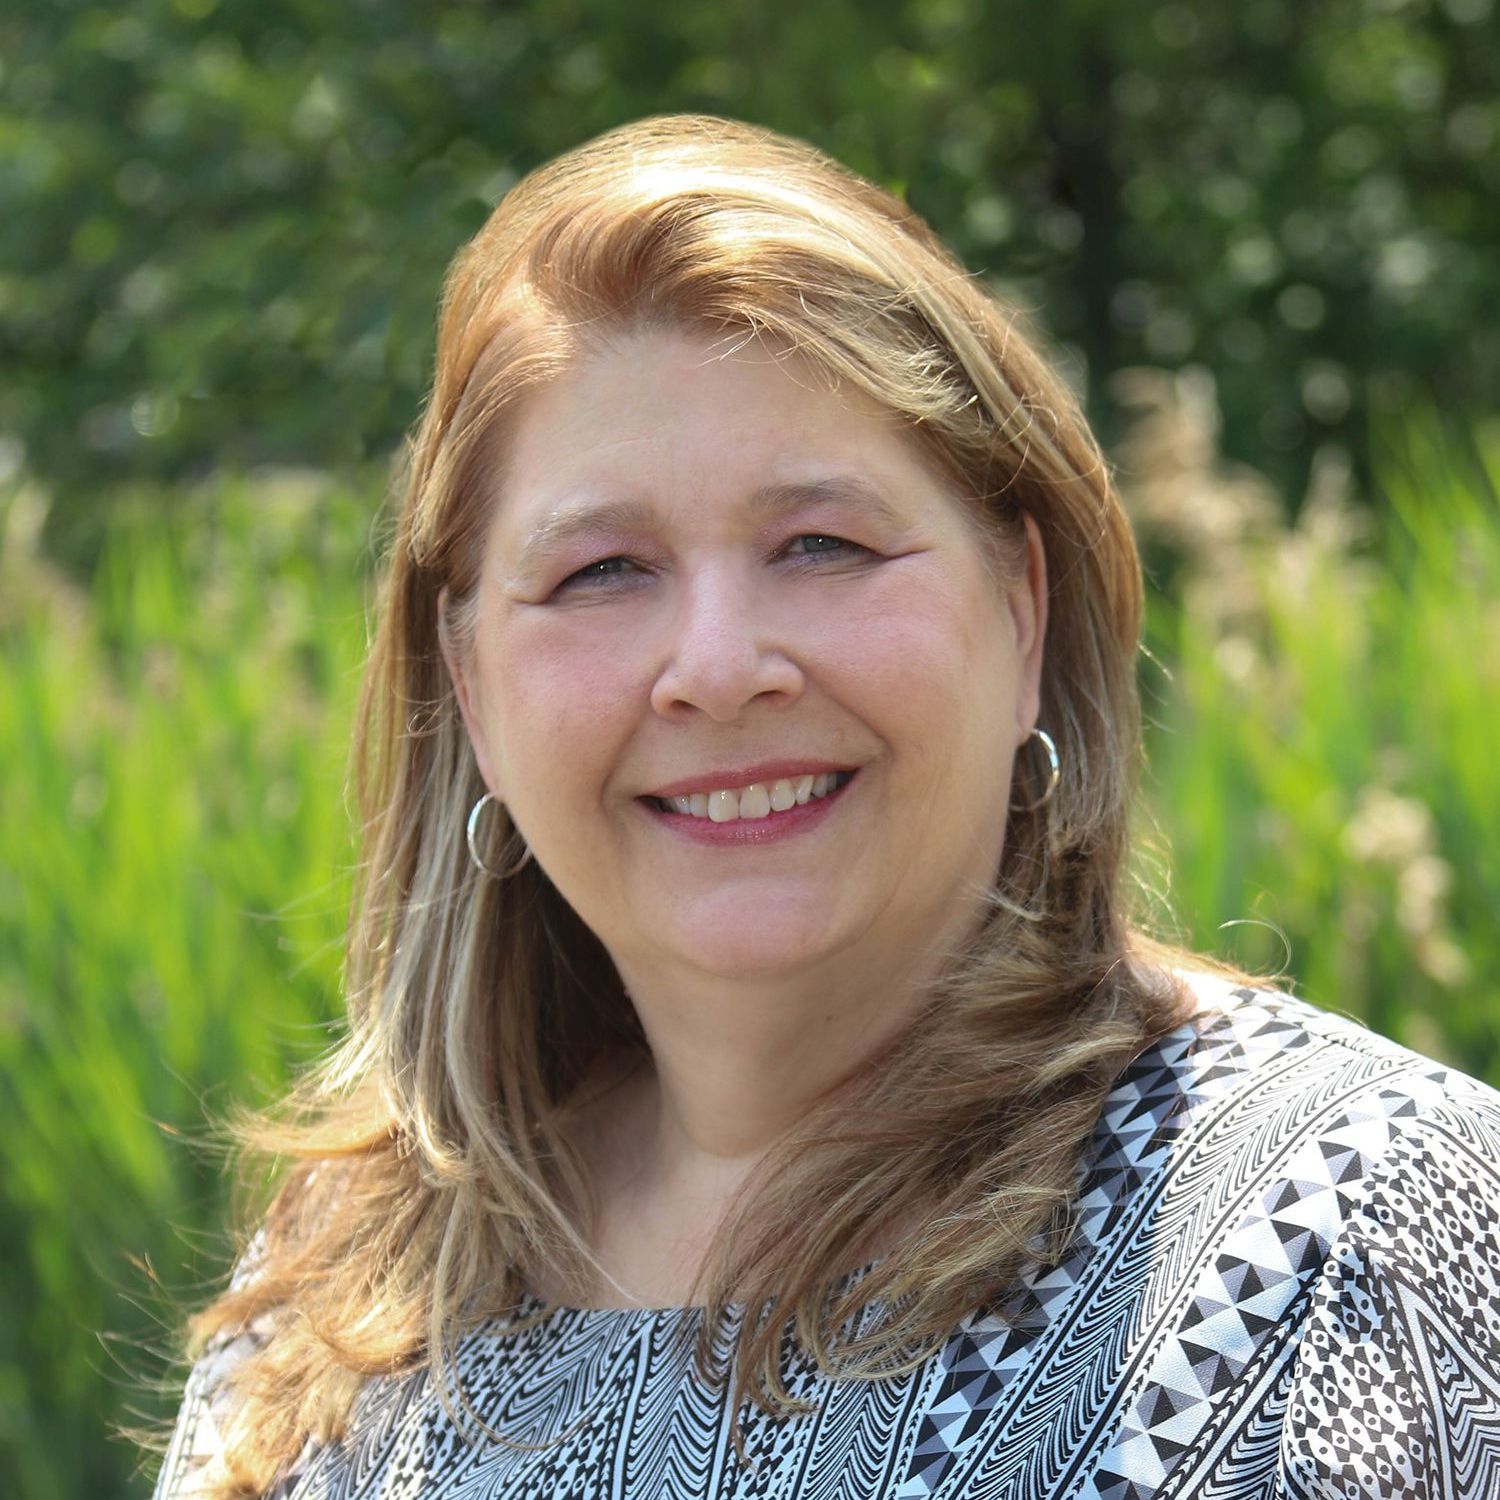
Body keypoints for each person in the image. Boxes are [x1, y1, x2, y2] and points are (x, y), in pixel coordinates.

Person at [153, 115, 1500, 1500]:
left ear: (1021, 611)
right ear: (474, 690)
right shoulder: (335, 1299)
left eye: (822, 545)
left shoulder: (1346, 1236)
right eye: (604, 572)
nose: (720, 669)